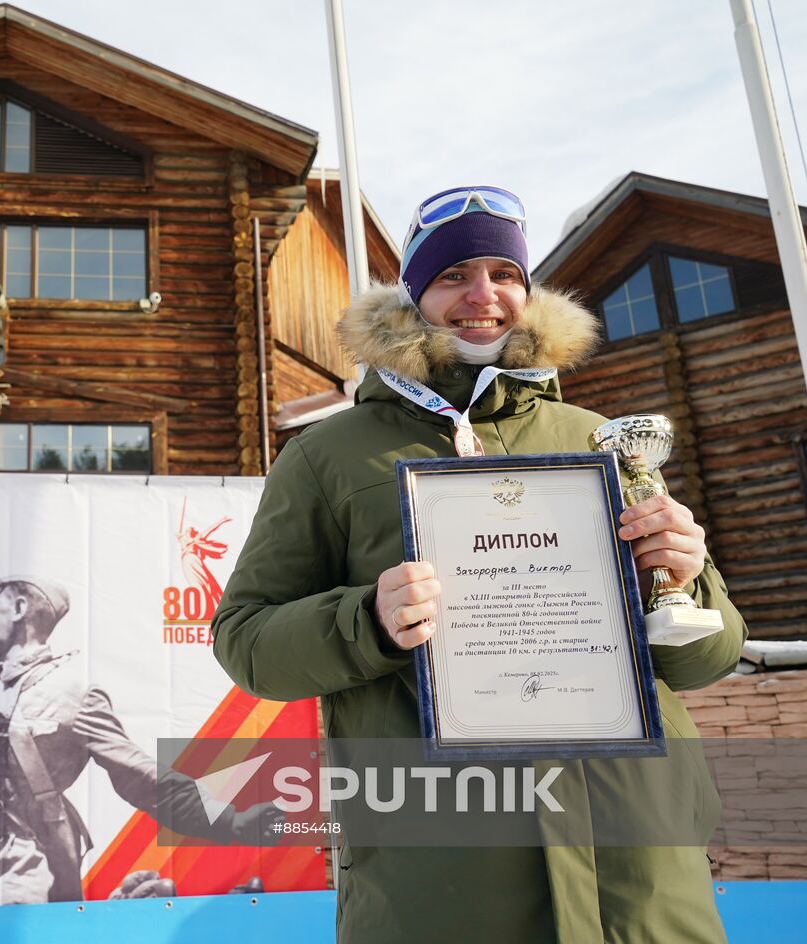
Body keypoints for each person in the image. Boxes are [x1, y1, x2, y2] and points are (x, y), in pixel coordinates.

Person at [212, 186, 747, 943]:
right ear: (415, 296)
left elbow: (706, 659)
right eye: (454, 275)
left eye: (503, 272)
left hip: (637, 864)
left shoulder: (598, 439)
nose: (482, 295)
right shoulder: (328, 456)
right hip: (442, 878)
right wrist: (366, 621)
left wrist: (684, 578)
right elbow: (247, 639)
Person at [0, 548, 265, 909]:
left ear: (19, 609)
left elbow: (144, 779)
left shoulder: (73, 696)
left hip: (5, 872)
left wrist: (229, 819)